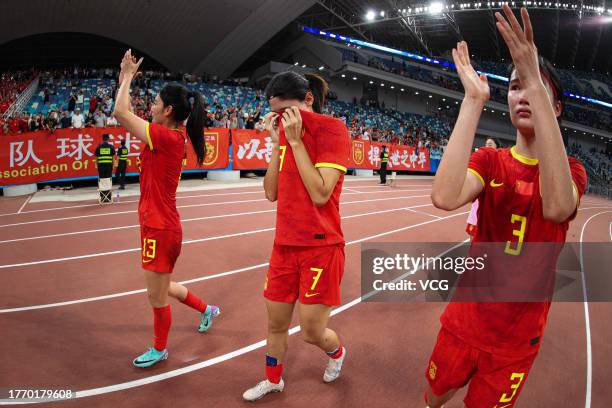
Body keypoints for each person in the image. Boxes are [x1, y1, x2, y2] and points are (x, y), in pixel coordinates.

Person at [425, 6, 586, 408]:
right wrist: (472, 101)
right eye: (515, 86)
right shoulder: (491, 161)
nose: (523, 93)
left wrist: (533, 76)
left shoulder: (572, 170)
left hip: (517, 338)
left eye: (534, 86)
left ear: (556, 107)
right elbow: (444, 198)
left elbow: (557, 207)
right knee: (433, 397)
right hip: (465, 321)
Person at [243, 71, 350, 401]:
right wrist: (278, 144)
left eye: (285, 112)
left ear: (307, 100)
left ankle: (337, 353)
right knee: (275, 324)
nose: (281, 119)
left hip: (321, 246)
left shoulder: (333, 130)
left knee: (311, 331)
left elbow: (320, 193)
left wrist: (296, 141)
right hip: (284, 246)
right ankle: (273, 379)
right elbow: (270, 192)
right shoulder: (285, 136)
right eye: (275, 114)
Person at [112, 49, 220, 368]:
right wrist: (124, 75)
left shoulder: (167, 138)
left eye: (156, 103)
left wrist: (129, 77)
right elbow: (125, 109)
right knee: (164, 287)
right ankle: (207, 310)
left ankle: (159, 349)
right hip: (156, 224)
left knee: (155, 297)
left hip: (160, 228)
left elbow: (119, 112)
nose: (152, 107)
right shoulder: (162, 135)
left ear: (169, 109)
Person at [465, 138, 501, 238]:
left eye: (490, 144)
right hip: (476, 213)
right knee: (473, 242)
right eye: (486, 144)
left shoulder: (501, 167)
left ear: (497, 148)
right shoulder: (479, 164)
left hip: (493, 216)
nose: (486, 147)